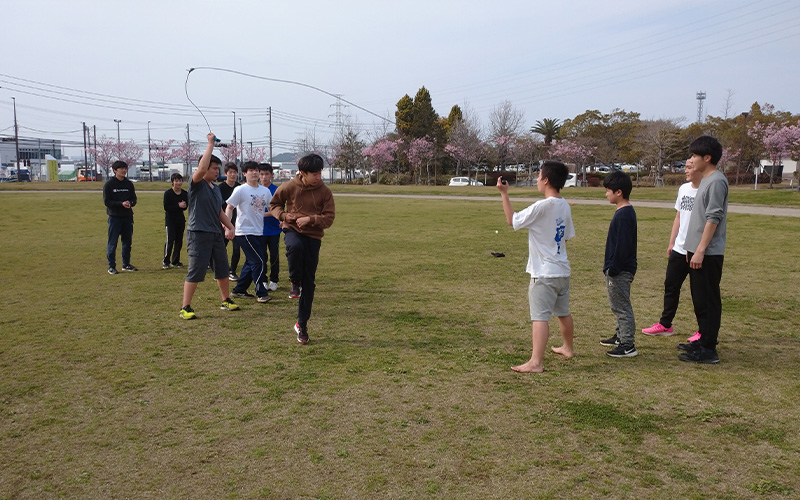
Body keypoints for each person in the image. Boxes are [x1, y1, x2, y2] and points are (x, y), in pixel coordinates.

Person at [497, 161, 576, 373]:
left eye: (539, 176)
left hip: (544, 274)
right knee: (563, 312)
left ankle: (536, 362)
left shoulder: (543, 206)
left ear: (547, 180)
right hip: (562, 271)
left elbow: (512, 221)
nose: (537, 180)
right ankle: (567, 348)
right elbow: (565, 237)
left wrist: (504, 193)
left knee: (540, 317)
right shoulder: (564, 205)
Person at [269, 153, 335, 343]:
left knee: (310, 285)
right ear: (303, 173)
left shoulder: (325, 192)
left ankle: (301, 325)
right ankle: (294, 281)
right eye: (314, 174)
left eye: (320, 173)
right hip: (293, 230)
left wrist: (311, 219)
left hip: (314, 236)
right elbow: (274, 204)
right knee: (294, 247)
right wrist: (283, 216)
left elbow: (329, 218)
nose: (318, 177)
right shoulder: (290, 186)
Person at [179, 133, 240, 320]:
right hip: (199, 234)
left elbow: (220, 212)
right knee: (196, 270)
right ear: (203, 169)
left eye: (217, 169)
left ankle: (225, 300)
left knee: (222, 268)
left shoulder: (215, 189)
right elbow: (203, 166)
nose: (216, 171)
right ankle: (185, 307)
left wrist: (230, 227)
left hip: (215, 234)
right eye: (214, 168)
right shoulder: (196, 184)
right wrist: (210, 145)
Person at [678, 136, 728, 364]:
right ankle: (703, 338)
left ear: (707, 158)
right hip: (695, 250)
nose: (690, 160)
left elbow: (713, 218)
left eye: (693, 156)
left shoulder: (716, 181)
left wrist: (700, 250)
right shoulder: (707, 180)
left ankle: (709, 348)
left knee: (708, 300)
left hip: (707, 253)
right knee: (700, 299)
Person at [642, 162, 704, 341]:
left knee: (698, 292)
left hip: (696, 250)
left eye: (690, 167)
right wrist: (672, 242)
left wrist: (700, 249)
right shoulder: (683, 189)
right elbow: (678, 216)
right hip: (679, 248)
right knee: (671, 286)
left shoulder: (707, 189)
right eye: (685, 166)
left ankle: (702, 330)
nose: (686, 170)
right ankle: (665, 324)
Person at [600, 171, 638, 358]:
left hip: (620, 270)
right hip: (618, 268)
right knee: (617, 303)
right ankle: (620, 335)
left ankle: (627, 344)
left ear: (619, 192)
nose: (606, 194)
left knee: (621, 306)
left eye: (608, 190)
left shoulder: (624, 215)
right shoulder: (623, 212)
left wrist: (613, 268)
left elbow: (622, 246)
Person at [225, 161, 272, 303]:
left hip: (258, 231)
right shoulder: (240, 190)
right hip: (244, 231)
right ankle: (261, 292)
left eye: (256, 170)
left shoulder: (265, 191)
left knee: (251, 262)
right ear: (244, 174)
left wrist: (282, 219)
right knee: (259, 260)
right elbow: (229, 208)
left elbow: (272, 208)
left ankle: (239, 289)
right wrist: (228, 226)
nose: (255, 173)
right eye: (251, 170)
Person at [103, 160, 137, 274]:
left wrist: (130, 203)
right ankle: (111, 266)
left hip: (127, 217)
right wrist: (120, 204)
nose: (124, 170)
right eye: (121, 168)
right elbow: (107, 201)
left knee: (127, 242)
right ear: (114, 170)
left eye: (125, 168)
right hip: (114, 218)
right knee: (113, 242)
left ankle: (126, 264)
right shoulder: (109, 184)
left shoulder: (129, 184)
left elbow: (134, 199)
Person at [259, 163, 281, 291]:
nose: (264, 177)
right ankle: (262, 280)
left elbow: (278, 209)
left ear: (271, 175)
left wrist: (260, 213)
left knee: (274, 256)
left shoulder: (277, 190)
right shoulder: (255, 190)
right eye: (262, 174)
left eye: (267, 174)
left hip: (274, 230)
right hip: (259, 230)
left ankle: (274, 280)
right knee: (261, 257)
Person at [218, 162, 241, 280]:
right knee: (221, 248)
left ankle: (232, 270)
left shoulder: (240, 187)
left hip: (237, 223)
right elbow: (218, 207)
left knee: (237, 248)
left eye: (235, 172)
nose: (233, 175)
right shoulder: (219, 188)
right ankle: (221, 268)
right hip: (222, 223)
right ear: (225, 174)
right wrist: (223, 223)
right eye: (230, 172)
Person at [163, 172, 188, 269]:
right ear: (172, 182)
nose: (178, 183)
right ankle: (166, 261)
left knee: (179, 241)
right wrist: (178, 205)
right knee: (170, 240)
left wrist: (184, 206)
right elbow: (166, 207)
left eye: (180, 181)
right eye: (176, 181)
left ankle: (175, 261)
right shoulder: (168, 193)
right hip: (170, 220)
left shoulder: (185, 193)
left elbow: (185, 207)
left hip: (180, 220)